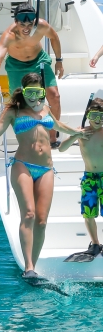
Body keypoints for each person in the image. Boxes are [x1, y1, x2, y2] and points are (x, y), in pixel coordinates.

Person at [0, 73, 87, 278]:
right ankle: (29, 267)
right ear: (23, 91)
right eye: (30, 92)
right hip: (22, 166)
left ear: (42, 91)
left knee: (42, 220)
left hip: (46, 169)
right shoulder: (13, 111)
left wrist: (78, 132)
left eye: (38, 91)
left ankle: (34, 261)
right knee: (29, 214)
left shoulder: (46, 109)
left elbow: (59, 126)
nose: (34, 97)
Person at [0, 1, 64, 147]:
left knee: (54, 96)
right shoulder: (9, 36)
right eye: (22, 25)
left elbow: (54, 38)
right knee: (17, 102)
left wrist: (59, 61)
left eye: (30, 25)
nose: (26, 28)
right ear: (16, 22)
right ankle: (24, 139)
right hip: (16, 66)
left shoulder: (42, 26)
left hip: (39, 60)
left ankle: (52, 136)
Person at [58, 97, 103, 260]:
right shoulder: (81, 132)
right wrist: (75, 134)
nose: (97, 121)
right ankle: (95, 244)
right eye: (94, 116)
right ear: (88, 115)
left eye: (101, 117)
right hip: (90, 178)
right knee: (88, 214)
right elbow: (62, 148)